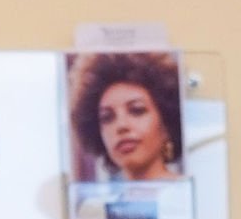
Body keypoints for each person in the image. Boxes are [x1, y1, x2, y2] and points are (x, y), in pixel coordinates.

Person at [69, 52, 185, 187]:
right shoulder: (97, 206)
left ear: (167, 123)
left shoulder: (193, 194)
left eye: (137, 110)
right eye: (107, 118)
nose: (121, 125)